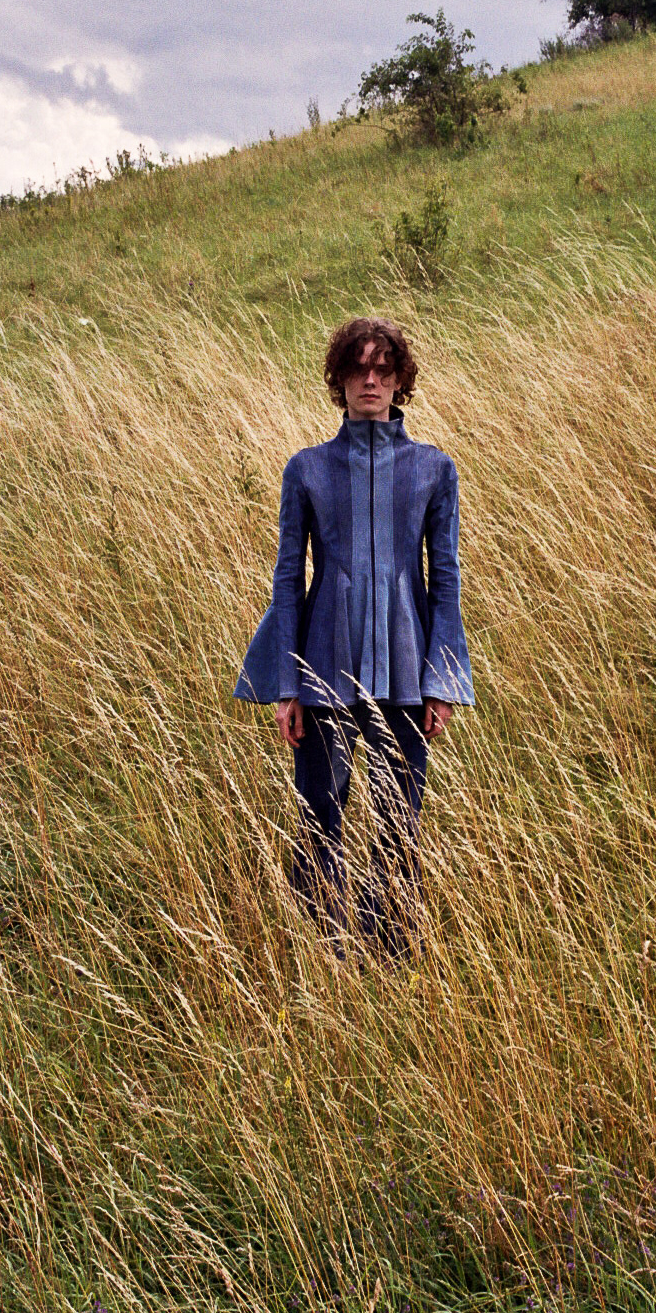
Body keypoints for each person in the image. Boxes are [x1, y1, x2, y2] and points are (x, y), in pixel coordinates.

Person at [233, 316, 475, 962]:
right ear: (339, 380)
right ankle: (323, 952)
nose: (371, 380)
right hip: (323, 667)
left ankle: (391, 950)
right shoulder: (307, 469)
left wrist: (442, 681)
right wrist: (287, 685)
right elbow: (288, 577)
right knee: (320, 811)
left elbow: (445, 577)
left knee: (399, 816)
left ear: (400, 380)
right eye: (358, 368)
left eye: (383, 368)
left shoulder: (434, 469)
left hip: (406, 669)